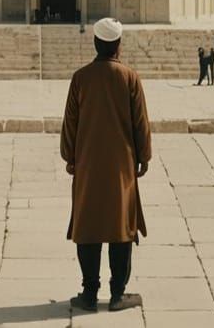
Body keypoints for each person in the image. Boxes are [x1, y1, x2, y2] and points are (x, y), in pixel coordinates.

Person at [62, 18, 150, 314]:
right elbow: (140, 123)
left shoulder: (80, 78)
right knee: (121, 227)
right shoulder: (129, 77)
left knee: (88, 226)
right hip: (122, 167)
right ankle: (117, 294)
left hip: (88, 165)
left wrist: (70, 157)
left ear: (96, 44)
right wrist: (144, 156)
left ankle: (89, 293)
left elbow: (70, 122)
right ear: (118, 46)